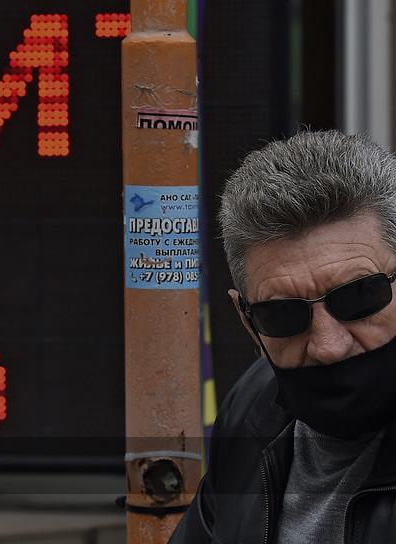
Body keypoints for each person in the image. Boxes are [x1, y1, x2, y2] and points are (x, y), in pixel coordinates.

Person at [169, 130, 396, 543]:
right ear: (247, 322)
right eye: (283, 315)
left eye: (360, 296)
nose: (327, 346)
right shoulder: (250, 409)